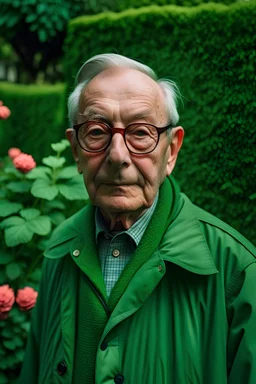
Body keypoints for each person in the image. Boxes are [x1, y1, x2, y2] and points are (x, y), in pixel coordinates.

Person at [18, 53, 256, 384]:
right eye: (97, 131)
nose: (117, 155)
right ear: (76, 151)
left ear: (171, 150)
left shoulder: (236, 271)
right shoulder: (60, 248)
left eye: (141, 132)